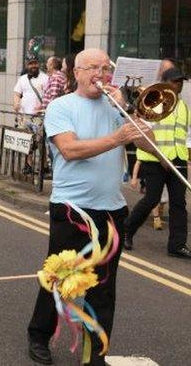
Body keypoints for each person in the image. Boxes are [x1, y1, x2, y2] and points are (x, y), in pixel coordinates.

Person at [27, 48, 156, 366]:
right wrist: (117, 137)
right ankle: (39, 335)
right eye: (92, 68)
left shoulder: (116, 108)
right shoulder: (61, 106)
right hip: (72, 210)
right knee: (60, 278)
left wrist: (132, 115)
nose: (100, 74)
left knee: (104, 286)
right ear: (76, 71)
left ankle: (95, 353)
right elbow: (70, 149)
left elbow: (149, 145)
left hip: (112, 210)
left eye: (105, 68)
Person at [123, 66, 191, 259]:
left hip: (177, 158)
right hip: (154, 159)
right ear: (165, 83)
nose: (178, 85)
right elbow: (141, 129)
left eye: (181, 82)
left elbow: (185, 135)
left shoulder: (184, 106)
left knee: (179, 202)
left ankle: (177, 245)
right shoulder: (153, 99)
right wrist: (160, 156)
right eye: (175, 81)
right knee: (152, 198)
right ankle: (127, 230)